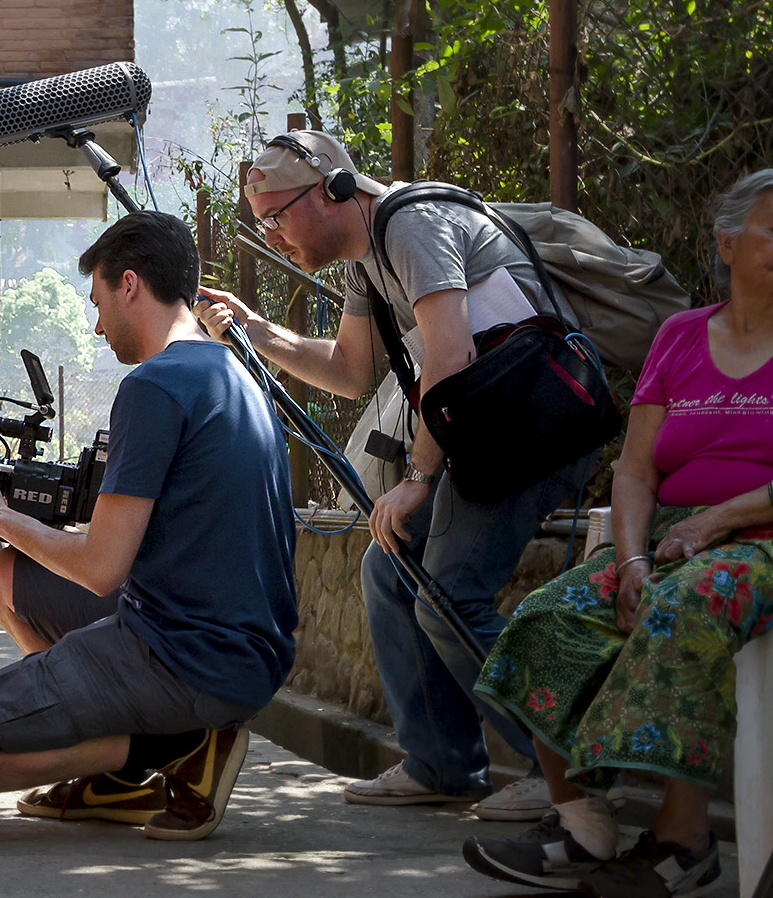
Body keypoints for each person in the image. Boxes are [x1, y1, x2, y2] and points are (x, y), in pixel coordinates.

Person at [196, 130, 591, 820]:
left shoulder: (412, 224)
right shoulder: (365, 260)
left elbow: (451, 352)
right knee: (391, 571)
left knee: (445, 590)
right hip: (491, 427)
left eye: (276, 215)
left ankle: (555, 768)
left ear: (330, 191)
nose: (272, 235)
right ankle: (441, 762)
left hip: (540, 423)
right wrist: (254, 331)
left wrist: (416, 476)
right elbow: (350, 373)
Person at [0, 211, 298, 842]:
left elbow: (100, 568)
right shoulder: (236, 373)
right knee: (6, 577)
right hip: (250, 651)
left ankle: (168, 747)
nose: (95, 326)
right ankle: (130, 760)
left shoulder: (154, 385)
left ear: (129, 285)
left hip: (183, 657)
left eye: (97, 302)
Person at [460, 170, 773, 898]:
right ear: (727, 243)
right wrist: (630, 556)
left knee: (681, 605)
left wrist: (718, 521)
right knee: (549, 614)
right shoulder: (681, 337)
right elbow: (634, 471)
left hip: (758, 537)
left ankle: (683, 843)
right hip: (668, 534)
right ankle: (581, 824)